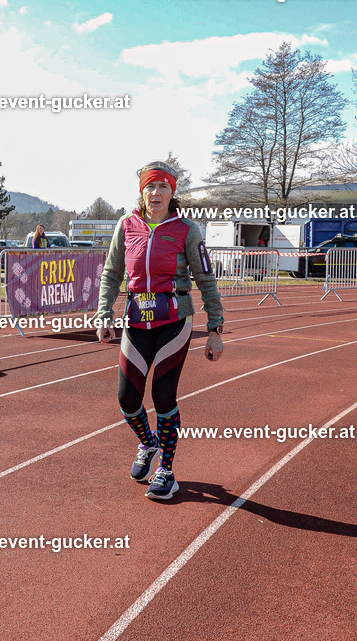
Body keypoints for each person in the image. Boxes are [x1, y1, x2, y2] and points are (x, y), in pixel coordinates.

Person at [96, 161, 225, 500]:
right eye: (150, 187)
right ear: (142, 191)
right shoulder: (126, 225)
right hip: (136, 318)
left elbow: (205, 278)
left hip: (175, 319)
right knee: (127, 400)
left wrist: (215, 328)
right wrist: (103, 314)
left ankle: (166, 470)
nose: (156, 193)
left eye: (162, 187)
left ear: (173, 192)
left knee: (163, 396)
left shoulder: (187, 230)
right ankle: (148, 443)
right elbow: (111, 273)